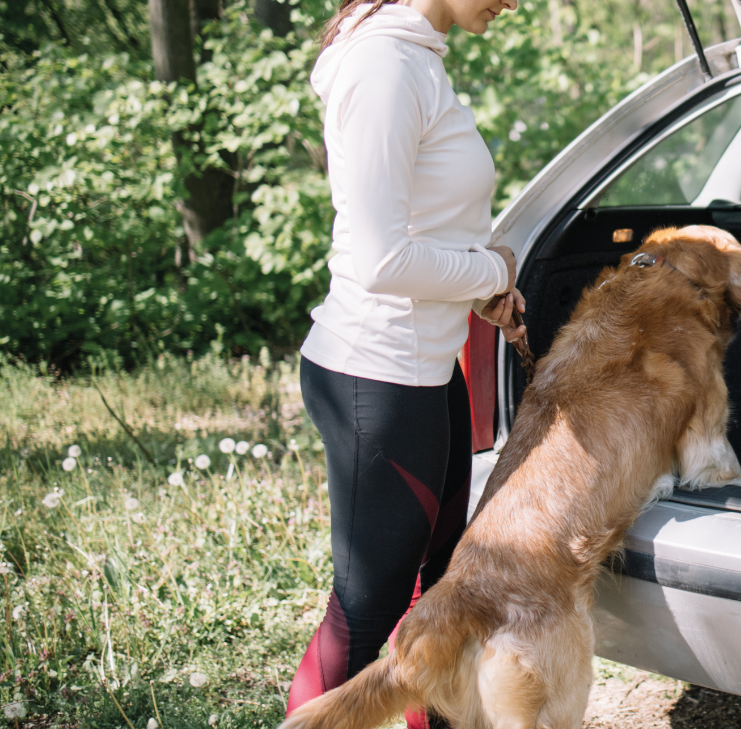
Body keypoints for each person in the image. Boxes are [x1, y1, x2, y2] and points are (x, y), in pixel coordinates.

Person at [286, 0, 525, 725]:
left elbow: (426, 227)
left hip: (426, 369)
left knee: (443, 590)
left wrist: (479, 288)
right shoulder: (383, 66)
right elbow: (382, 259)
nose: (512, 2)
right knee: (367, 612)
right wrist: (490, 271)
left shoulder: (417, 57)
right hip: (376, 376)